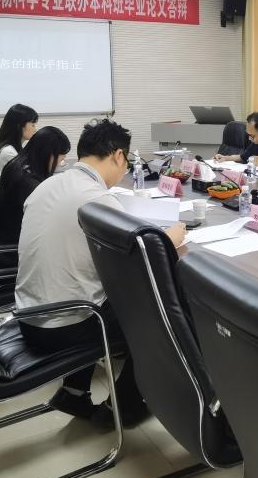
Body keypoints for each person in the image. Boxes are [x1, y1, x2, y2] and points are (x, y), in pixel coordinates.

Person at [16, 119, 186, 427]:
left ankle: (73, 392)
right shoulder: (98, 200)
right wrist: (169, 240)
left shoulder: (49, 185)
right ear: (118, 155)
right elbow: (140, 266)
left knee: (87, 286)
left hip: (28, 316)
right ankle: (124, 408)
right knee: (158, 316)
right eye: (126, 161)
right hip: (64, 326)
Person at [0, 126, 70, 246]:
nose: (59, 164)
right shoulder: (29, 184)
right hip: (15, 248)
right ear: (48, 155)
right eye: (60, 159)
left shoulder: (18, 165)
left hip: (6, 239)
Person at [0, 104, 39, 223]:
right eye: (33, 124)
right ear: (20, 125)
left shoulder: (8, 148)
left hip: (5, 214)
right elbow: (28, 185)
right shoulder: (8, 153)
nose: (35, 129)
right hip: (0, 221)